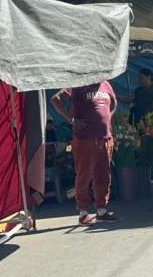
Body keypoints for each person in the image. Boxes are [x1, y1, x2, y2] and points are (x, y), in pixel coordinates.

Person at [51, 81, 120, 226]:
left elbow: (114, 103)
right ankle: (83, 212)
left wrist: (108, 118)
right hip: (85, 138)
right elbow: (55, 99)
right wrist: (71, 119)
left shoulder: (106, 85)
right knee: (84, 174)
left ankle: (101, 210)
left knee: (103, 175)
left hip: (105, 138)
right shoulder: (79, 84)